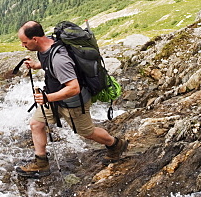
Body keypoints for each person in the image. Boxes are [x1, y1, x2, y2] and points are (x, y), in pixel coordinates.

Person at [16, 20, 128, 178]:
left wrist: (47, 97)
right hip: (54, 99)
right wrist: (37, 65)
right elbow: (49, 62)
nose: (23, 45)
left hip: (73, 103)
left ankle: (115, 144)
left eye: (24, 42)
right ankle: (41, 163)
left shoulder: (59, 59)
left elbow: (73, 88)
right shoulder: (45, 45)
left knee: (87, 132)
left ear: (35, 39)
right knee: (36, 124)